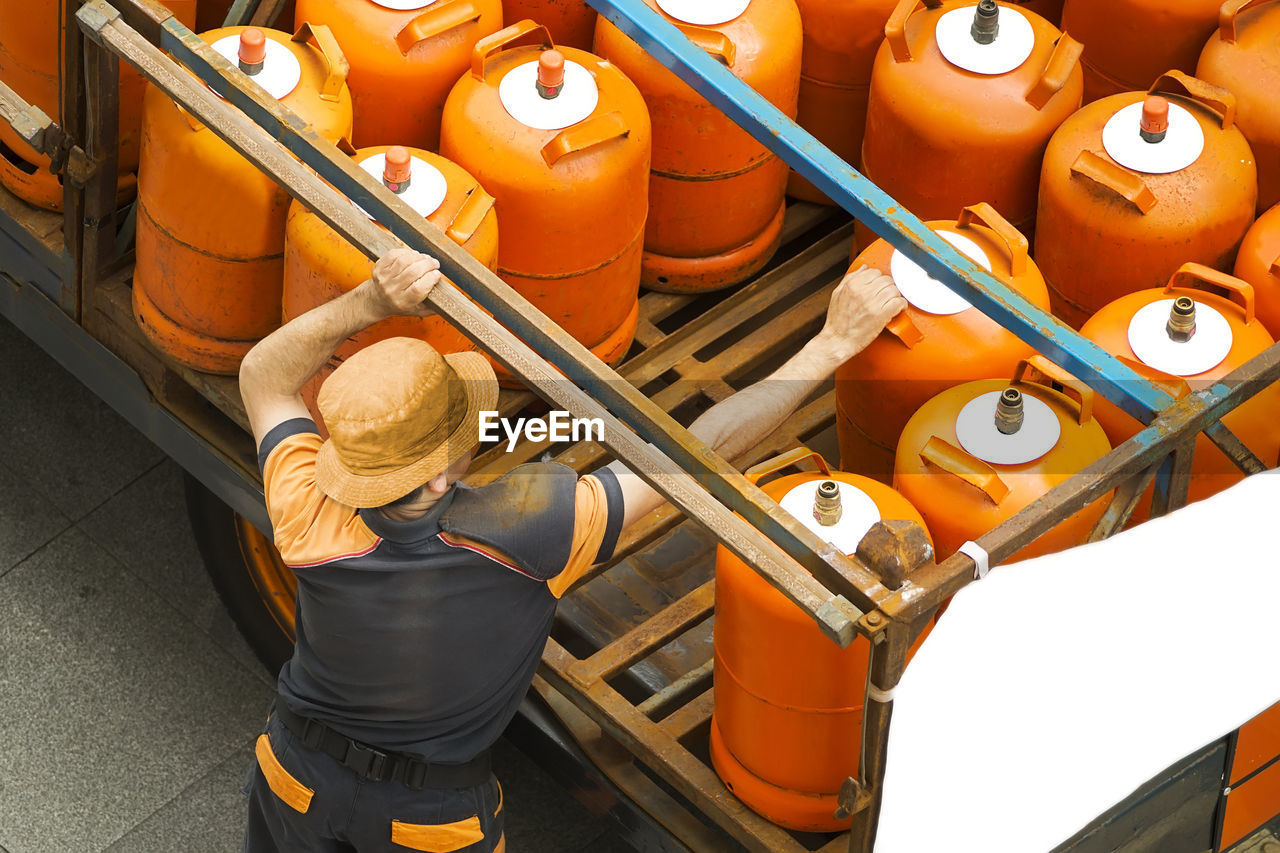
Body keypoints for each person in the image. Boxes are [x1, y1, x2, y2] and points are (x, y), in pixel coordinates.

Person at [237, 247, 905, 852]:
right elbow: (698, 452)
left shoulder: (306, 510)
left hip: (296, 777)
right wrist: (833, 342)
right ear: (440, 476)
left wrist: (368, 301)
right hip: (425, 823)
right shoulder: (530, 526)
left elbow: (262, 376)